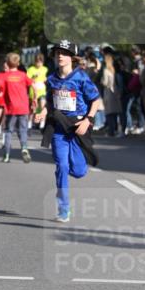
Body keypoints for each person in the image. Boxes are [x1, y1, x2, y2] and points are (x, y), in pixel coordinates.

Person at [35, 40, 100, 223]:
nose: (60, 56)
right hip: (58, 129)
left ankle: (62, 176)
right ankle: (64, 207)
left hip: (78, 128)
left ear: (72, 57)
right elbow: (50, 103)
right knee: (62, 166)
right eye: (57, 53)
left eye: (64, 53)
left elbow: (95, 100)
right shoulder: (52, 79)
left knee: (79, 171)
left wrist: (88, 120)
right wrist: (43, 113)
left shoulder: (81, 77)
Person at [0, 52, 33, 163]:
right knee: (23, 130)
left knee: (8, 131)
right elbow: (32, 85)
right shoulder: (23, 75)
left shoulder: (5, 76)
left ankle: (6, 154)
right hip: (23, 107)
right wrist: (33, 100)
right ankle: (24, 147)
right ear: (18, 63)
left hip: (11, 109)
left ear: (7, 63)